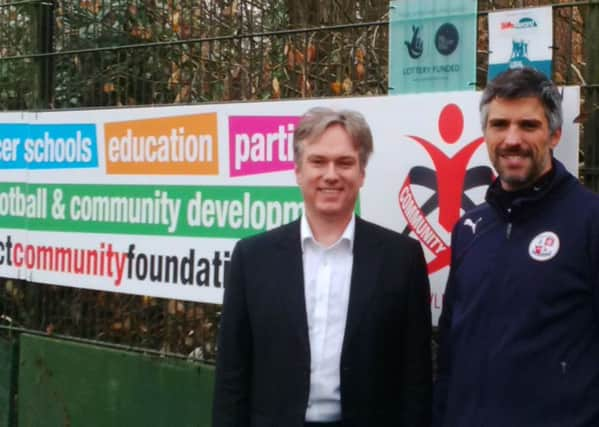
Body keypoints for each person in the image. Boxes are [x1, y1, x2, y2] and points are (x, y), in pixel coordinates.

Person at [213, 107, 432, 427]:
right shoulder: (252, 258)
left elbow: (415, 377)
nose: (331, 174)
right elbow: (232, 374)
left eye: (345, 162)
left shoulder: (402, 259)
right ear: (298, 172)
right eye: (318, 161)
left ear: (362, 174)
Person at [433, 67, 599, 427]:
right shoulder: (468, 229)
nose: (512, 139)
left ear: (554, 134)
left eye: (528, 125)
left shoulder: (590, 222)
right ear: (485, 134)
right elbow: (450, 350)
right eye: (499, 125)